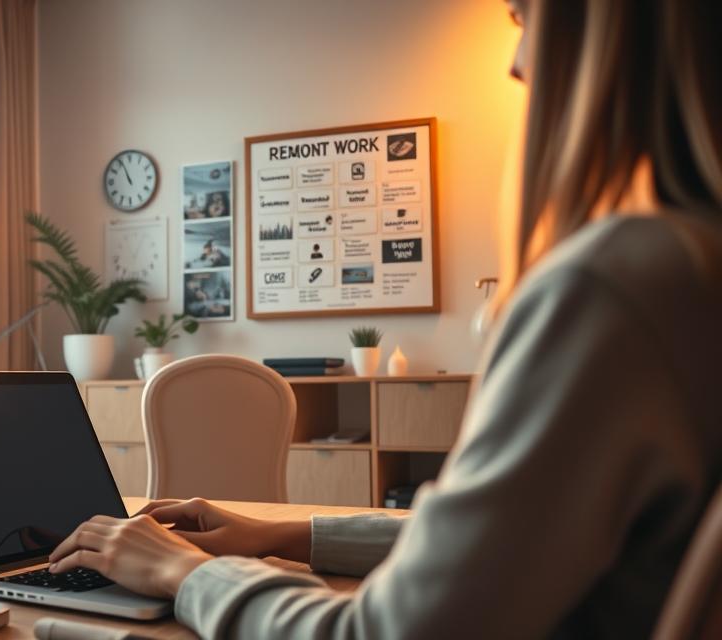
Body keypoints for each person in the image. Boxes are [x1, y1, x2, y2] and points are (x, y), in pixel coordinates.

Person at [50, 0, 722, 636]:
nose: (517, 61)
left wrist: (185, 572)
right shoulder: (690, 266)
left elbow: (382, 631)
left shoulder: (611, 288)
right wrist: (284, 533)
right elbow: (505, 543)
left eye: (524, 17)